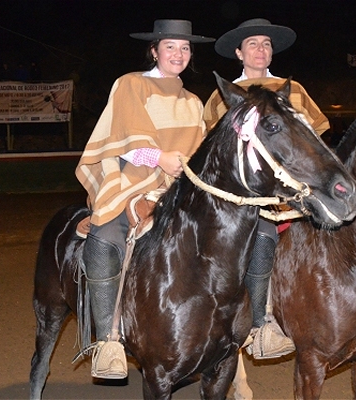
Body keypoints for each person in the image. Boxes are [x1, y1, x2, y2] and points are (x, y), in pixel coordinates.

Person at [75, 19, 214, 380]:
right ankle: (108, 341)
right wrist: (160, 159)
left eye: (185, 48)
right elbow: (127, 139)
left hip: (182, 188)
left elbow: (200, 151)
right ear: (154, 50)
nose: (178, 54)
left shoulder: (193, 101)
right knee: (104, 239)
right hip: (132, 183)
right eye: (170, 47)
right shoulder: (131, 84)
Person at [203, 18, 330, 360]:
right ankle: (260, 324)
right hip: (248, 192)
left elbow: (312, 141)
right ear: (238, 52)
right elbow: (215, 149)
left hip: (295, 187)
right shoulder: (224, 96)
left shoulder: (293, 89)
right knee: (262, 236)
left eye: (266, 44)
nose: (261, 50)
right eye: (253, 44)